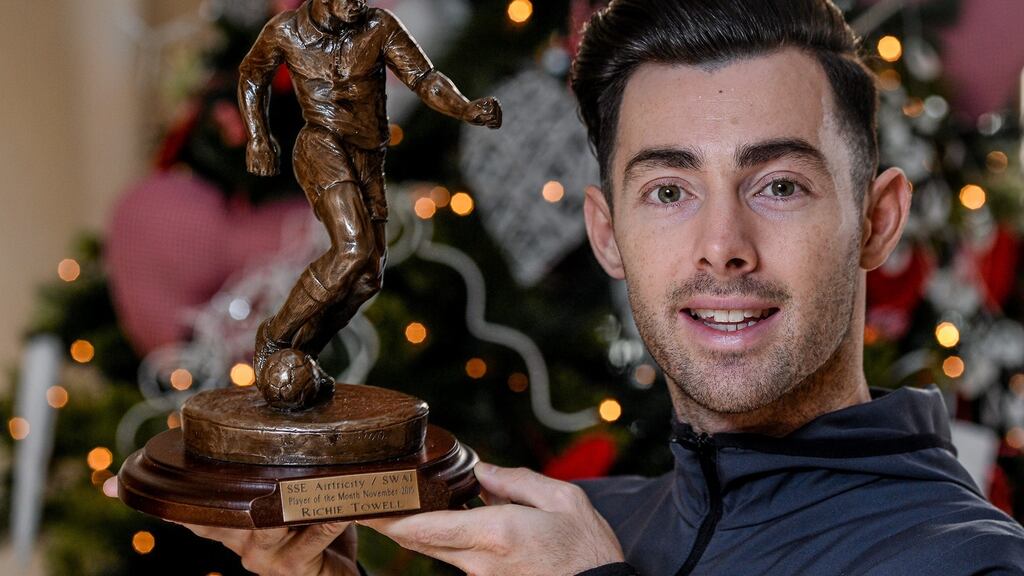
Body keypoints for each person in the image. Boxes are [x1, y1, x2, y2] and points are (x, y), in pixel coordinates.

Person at [189, 0, 1024, 573]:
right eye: (669, 191)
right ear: (606, 232)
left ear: (877, 221)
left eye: (779, 185)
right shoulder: (588, 521)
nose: (722, 248)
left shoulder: (965, 558)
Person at [238, 0, 500, 407]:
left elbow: (424, 78)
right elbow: (252, 75)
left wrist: (464, 108)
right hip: (321, 146)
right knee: (352, 247)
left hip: (368, 158)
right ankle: (273, 337)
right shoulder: (286, 31)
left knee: (366, 278)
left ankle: (302, 351)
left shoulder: (378, 26)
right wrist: (258, 135)